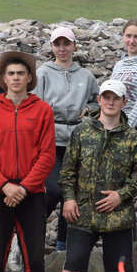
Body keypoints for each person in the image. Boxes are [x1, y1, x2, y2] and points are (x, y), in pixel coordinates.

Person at [48, 80, 137, 272]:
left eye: (115, 97)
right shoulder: (82, 132)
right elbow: (67, 171)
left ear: (124, 102)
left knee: (114, 270)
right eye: (106, 97)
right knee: (72, 265)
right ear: (99, 99)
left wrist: (121, 195)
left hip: (118, 217)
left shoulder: (133, 138)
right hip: (83, 214)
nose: (110, 101)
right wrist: (69, 200)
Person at [0, 51, 56, 272]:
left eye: (21, 73)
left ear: (30, 77)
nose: (16, 78)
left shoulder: (42, 110)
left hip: (32, 194)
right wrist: (5, 186)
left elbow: (47, 155)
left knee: (34, 258)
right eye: (10, 73)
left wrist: (24, 187)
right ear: (4, 78)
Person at [35, 25, 97, 252]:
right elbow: (34, 105)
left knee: (72, 194)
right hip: (50, 139)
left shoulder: (86, 76)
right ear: (52, 46)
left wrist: (90, 109)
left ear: (74, 46)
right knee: (53, 190)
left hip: (77, 140)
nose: (62, 48)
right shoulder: (42, 73)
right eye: (57, 44)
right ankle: (26, 229)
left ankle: (63, 245)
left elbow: (96, 101)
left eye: (66, 43)